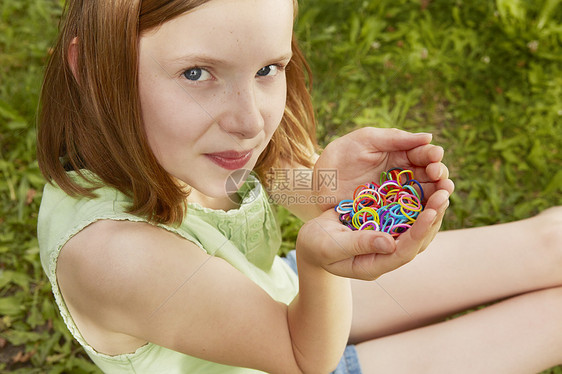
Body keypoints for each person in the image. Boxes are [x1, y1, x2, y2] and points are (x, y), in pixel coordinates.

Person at [36, 0, 562, 373]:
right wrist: (319, 264)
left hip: (280, 294)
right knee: (550, 318)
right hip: (297, 351)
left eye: (268, 68)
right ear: (98, 70)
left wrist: (325, 190)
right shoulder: (115, 256)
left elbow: (282, 187)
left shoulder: (196, 149)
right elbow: (305, 357)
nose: (250, 121)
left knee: (549, 243)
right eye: (197, 73)